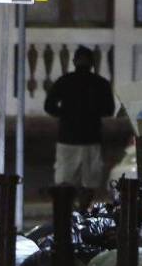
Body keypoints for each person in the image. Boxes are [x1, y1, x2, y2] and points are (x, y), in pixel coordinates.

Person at [43, 45, 115, 207]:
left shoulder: (65, 81)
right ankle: (82, 212)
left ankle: (65, 215)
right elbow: (109, 110)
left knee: (64, 181)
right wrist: (91, 113)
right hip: (91, 138)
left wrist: (66, 114)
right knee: (89, 183)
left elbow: (49, 106)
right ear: (92, 63)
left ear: (74, 62)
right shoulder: (101, 83)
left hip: (68, 138)